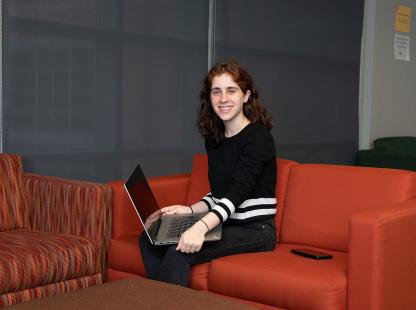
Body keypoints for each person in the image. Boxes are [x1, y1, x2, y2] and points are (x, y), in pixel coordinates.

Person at [139, 59, 277, 286]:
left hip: (257, 230)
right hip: (226, 223)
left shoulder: (259, 137)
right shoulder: (215, 140)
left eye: (231, 91)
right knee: (149, 237)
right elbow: (220, 193)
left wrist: (200, 227)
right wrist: (190, 210)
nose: (223, 99)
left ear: (246, 95)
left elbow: (237, 193)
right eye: (216, 92)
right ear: (209, 97)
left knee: (179, 249)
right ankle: (159, 298)